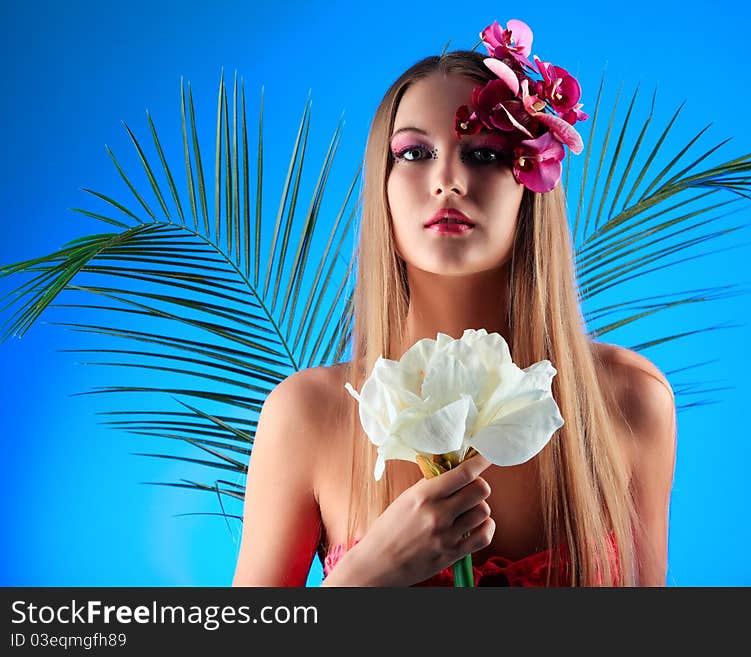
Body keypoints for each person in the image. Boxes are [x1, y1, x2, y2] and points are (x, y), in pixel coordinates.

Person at [232, 20, 677, 587]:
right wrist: (361, 580)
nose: (447, 179)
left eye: (486, 154)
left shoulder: (629, 400)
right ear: (382, 182)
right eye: (414, 152)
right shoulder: (308, 416)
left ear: (532, 183)